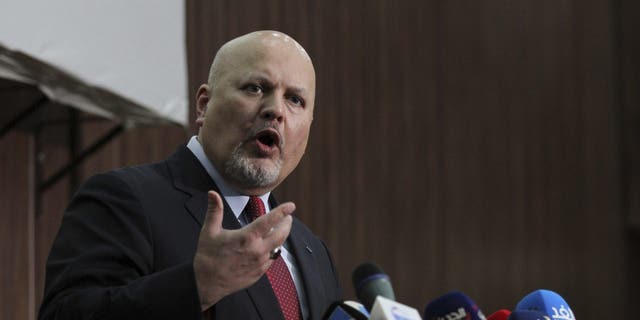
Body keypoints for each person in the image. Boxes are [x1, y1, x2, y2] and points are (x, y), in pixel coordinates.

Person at [38, 30, 342, 320]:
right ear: (204, 105)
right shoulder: (125, 198)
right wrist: (197, 286)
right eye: (255, 87)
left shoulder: (312, 251)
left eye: (295, 100)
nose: (276, 110)